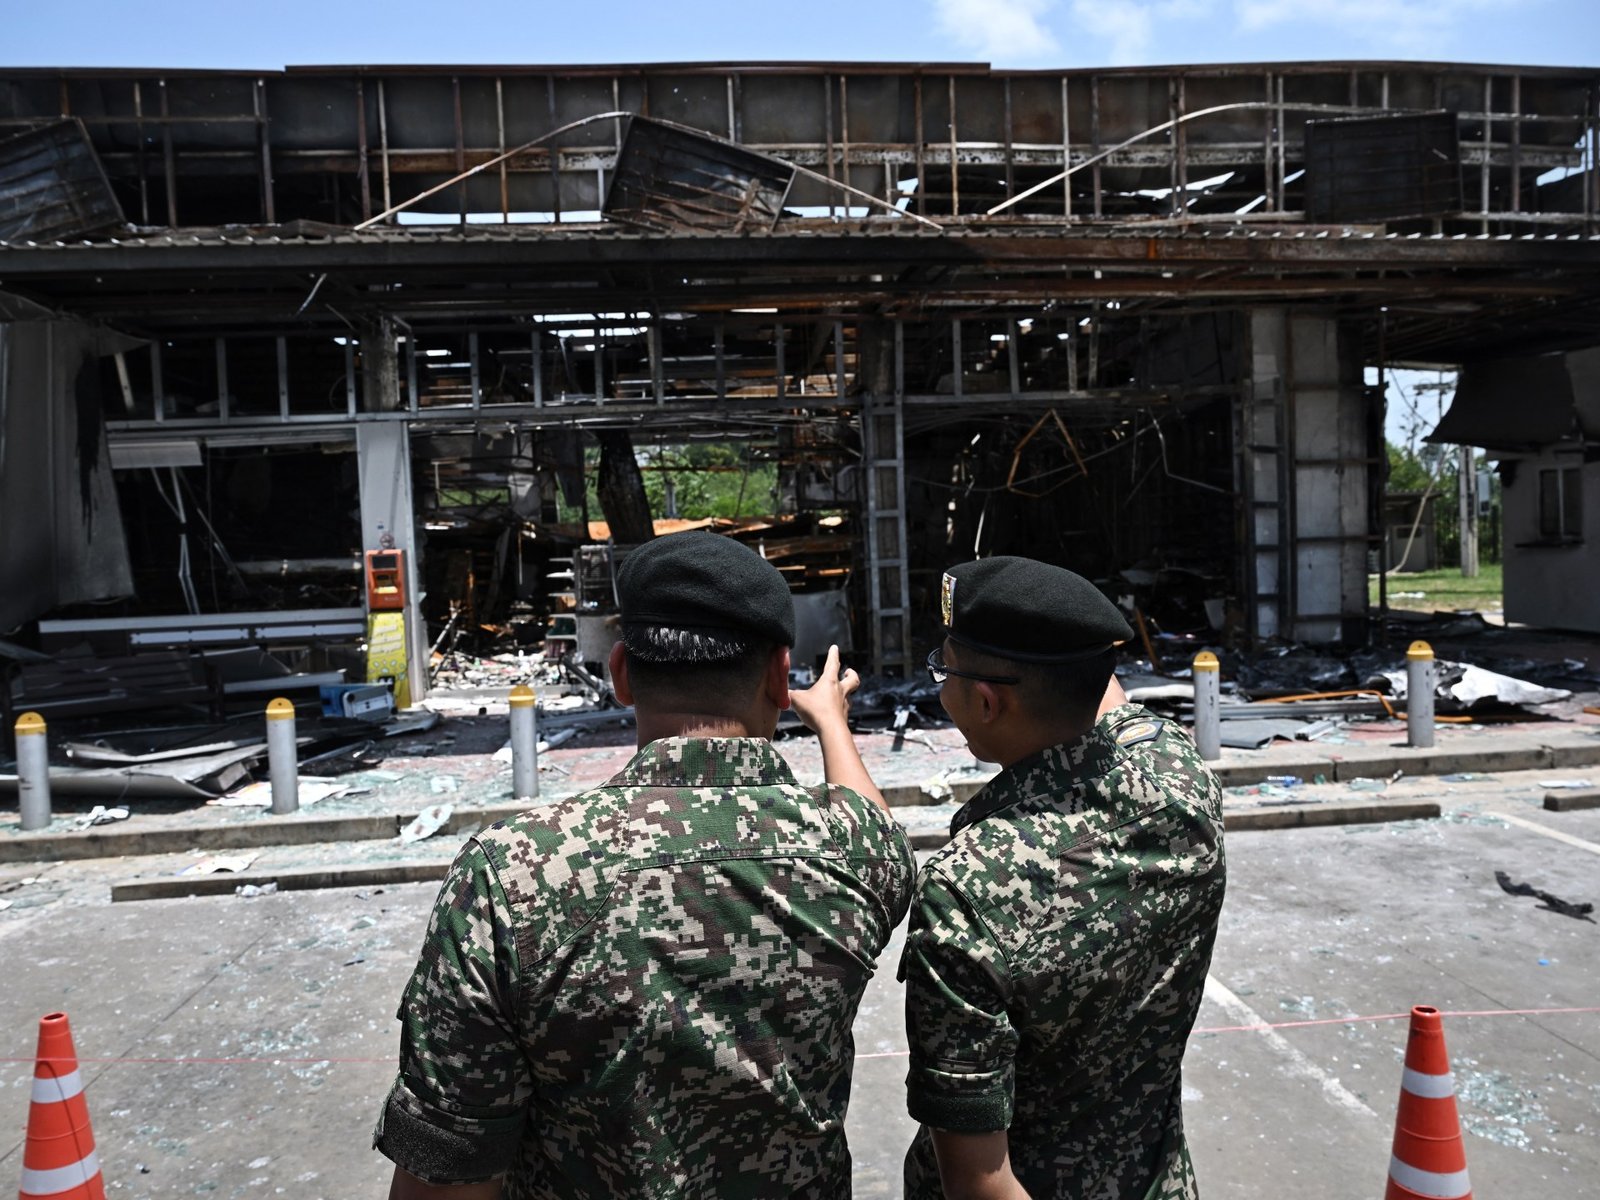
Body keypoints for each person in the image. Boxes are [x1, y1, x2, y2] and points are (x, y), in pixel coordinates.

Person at [374, 530, 914, 1199]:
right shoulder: (852, 852)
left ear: (621, 673)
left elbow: (448, 1171)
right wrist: (831, 722)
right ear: (781, 677)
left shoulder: (510, 874)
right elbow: (873, 826)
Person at [900, 556, 1226, 1200]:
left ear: (987, 701)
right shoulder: (1181, 781)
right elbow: (1107, 697)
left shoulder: (968, 890)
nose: (940, 689)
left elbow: (979, 1181)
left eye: (944, 671)